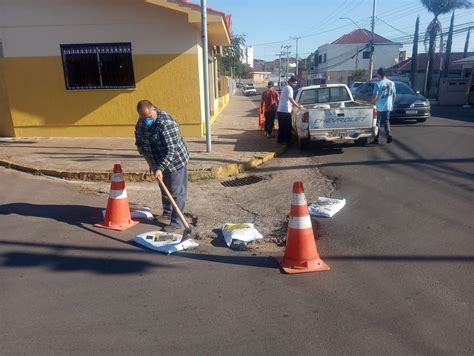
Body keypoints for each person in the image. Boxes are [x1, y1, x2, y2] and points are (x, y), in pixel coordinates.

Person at [135, 100, 189, 233]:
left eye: (148, 117)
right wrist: (139, 144)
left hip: (174, 162)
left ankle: (176, 223)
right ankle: (167, 213)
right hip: (155, 161)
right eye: (143, 117)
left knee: (176, 193)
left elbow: (171, 150)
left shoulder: (167, 123)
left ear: (154, 109)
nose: (146, 120)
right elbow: (137, 131)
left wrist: (160, 168)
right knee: (164, 189)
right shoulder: (142, 120)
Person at [371, 67, 396, 144]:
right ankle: (389, 134)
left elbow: (375, 96)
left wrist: (371, 103)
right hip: (388, 106)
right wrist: (392, 104)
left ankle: (376, 139)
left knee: (377, 123)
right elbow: (394, 95)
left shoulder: (378, 84)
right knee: (386, 121)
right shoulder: (392, 83)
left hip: (379, 107)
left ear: (379, 74)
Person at [276, 76, 303, 144]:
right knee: (287, 126)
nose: (295, 85)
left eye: (296, 83)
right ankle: (287, 141)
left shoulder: (285, 87)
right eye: (294, 83)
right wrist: (298, 106)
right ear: (290, 82)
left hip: (281, 110)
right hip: (285, 110)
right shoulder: (289, 88)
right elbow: (291, 99)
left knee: (282, 127)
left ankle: (280, 140)